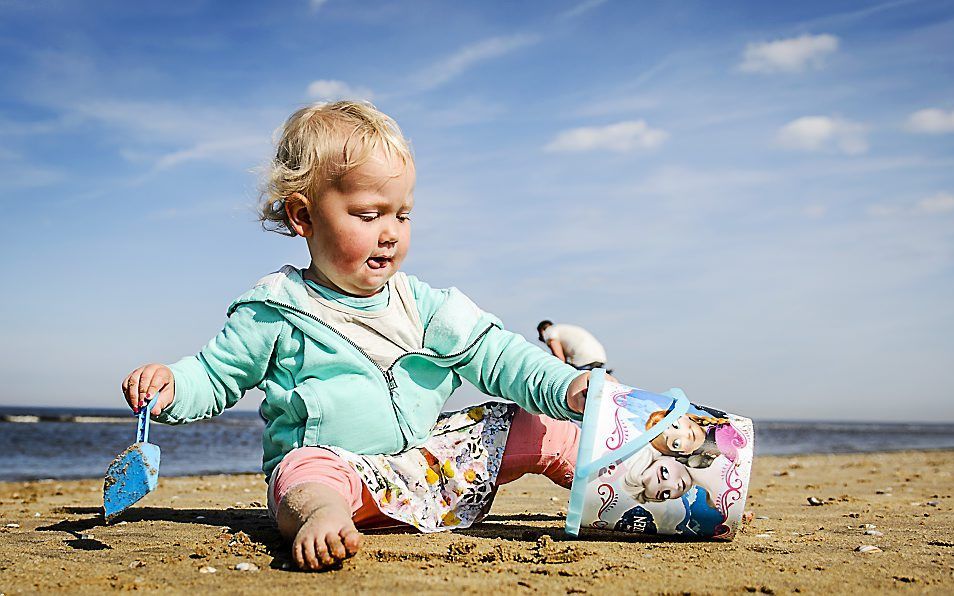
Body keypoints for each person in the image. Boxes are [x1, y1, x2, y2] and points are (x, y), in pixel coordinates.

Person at [120, 101, 602, 571]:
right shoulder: (277, 308)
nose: (390, 232)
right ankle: (322, 518)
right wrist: (173, 386)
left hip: (428, 465)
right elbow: (215, 373)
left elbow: (501, 357)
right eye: (369, 216)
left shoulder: (425, 304)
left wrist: (565, 387)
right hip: (342, 476)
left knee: (538, 425)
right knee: (302, 474)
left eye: (402, 215)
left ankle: (623, 485)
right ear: (303, 217)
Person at [644, 410, 746, 468]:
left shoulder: (721, 427)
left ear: (684, 416)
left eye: (675, 425)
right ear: (683, 452)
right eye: (676, 443)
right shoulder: (702, 462)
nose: (685, 435)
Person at [536, 320, 608, 371]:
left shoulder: (549, 331)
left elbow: (560, 358)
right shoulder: (562, 329)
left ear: (542, 331)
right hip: (600, 357)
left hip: (584, 360)